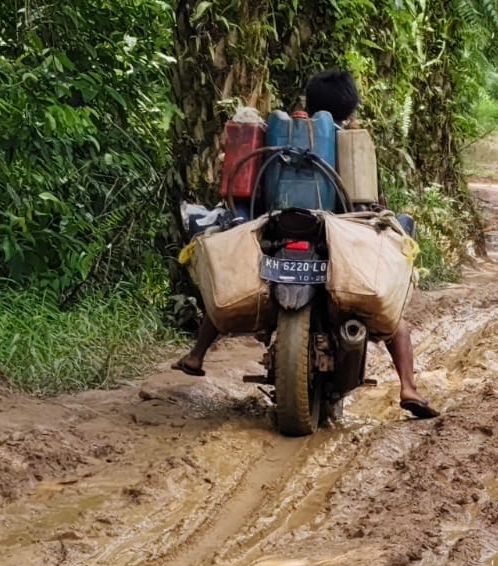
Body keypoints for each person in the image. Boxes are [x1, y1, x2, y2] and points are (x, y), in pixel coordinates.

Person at [175, 69, 438, 420]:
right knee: (395, 320)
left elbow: (243, 197)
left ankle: (197, 354)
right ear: (349, 108)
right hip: (335, 239)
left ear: (309, 103)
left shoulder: (275, 139)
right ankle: (408, 386)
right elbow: (366, 205)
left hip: (275, 229)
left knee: (231, 274)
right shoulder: (352, 142)